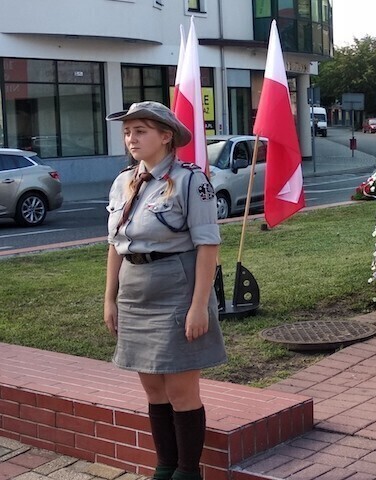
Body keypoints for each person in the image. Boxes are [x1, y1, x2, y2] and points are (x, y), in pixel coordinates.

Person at [103, 101, 226, 480]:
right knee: (153, 387)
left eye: (140, 131)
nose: (131, 138)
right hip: (135, 292)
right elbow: (114, 243)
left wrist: (199, 306)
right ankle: (165, 467)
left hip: (176, 288)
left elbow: (207, 245)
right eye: (127, 132)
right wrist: (109, 297)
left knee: (180, 389)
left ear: (165, 136)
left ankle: (189, 472)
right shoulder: (124, 180)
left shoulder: (191, 180)